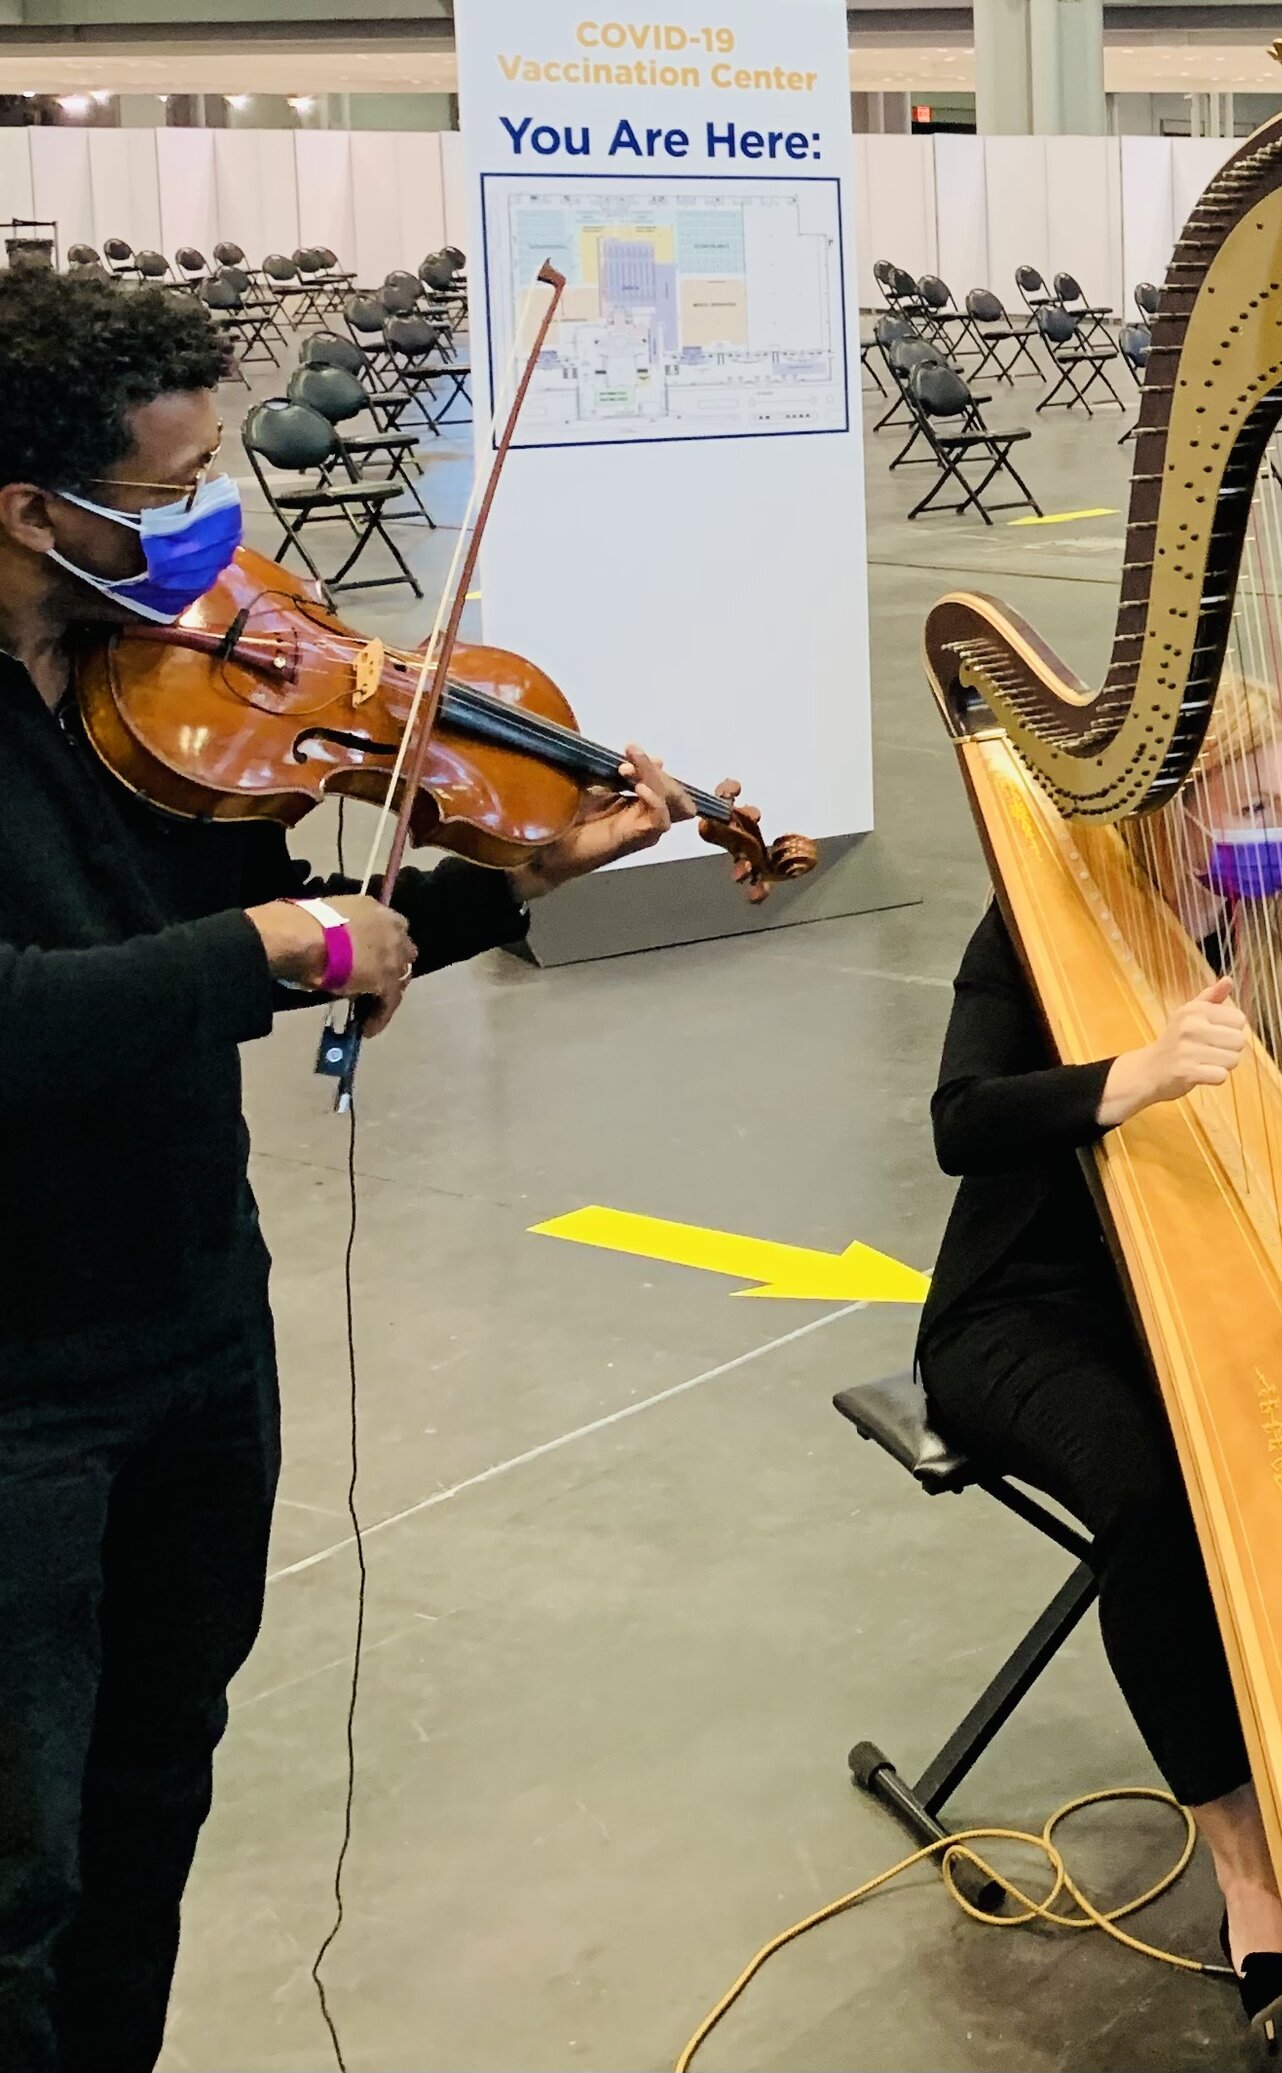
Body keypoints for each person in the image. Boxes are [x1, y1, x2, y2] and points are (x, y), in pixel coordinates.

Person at [0, 267, 735, 2070]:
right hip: (18, 1381)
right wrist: (267, 948)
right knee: (14, 1856)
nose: (209, 540)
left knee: (161, 1769)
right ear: (30, 508)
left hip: (191, 1307)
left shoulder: (137, 685)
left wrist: (499, 882)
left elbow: (242, 936)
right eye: (163, 496)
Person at [915, 677, 1282, 2039]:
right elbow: (962, 1122)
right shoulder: (1043, 931)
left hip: (1213, 1304)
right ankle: (1249, 1868)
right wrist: (1137, 1074)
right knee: (1164, 1508)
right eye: (1249, 806)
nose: (1279, 830)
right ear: (1170, 817)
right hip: (1026, 1314)